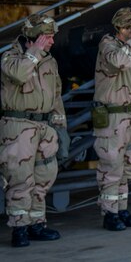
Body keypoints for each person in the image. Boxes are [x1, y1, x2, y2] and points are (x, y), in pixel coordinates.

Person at [0, 14, 65, 247]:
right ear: (34, 38)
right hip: (19, 128)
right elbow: (18, 74)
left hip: (45, 127)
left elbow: (56, 96)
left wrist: (60, 127)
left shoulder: (50, 61)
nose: (52, 42)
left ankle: (37, 224)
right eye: (48, 37)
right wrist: (34, 53)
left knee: (44, 177)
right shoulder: (10, 56)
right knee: (20, 179)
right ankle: (19, 229)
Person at [93, 7, 131, 231]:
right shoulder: (109, 45)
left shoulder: (129, 49)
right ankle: (109, 213)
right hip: (114, 116)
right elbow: (119, 63)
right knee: (111, 166)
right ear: (121, 28)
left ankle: (122, 209)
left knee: (127, 167)